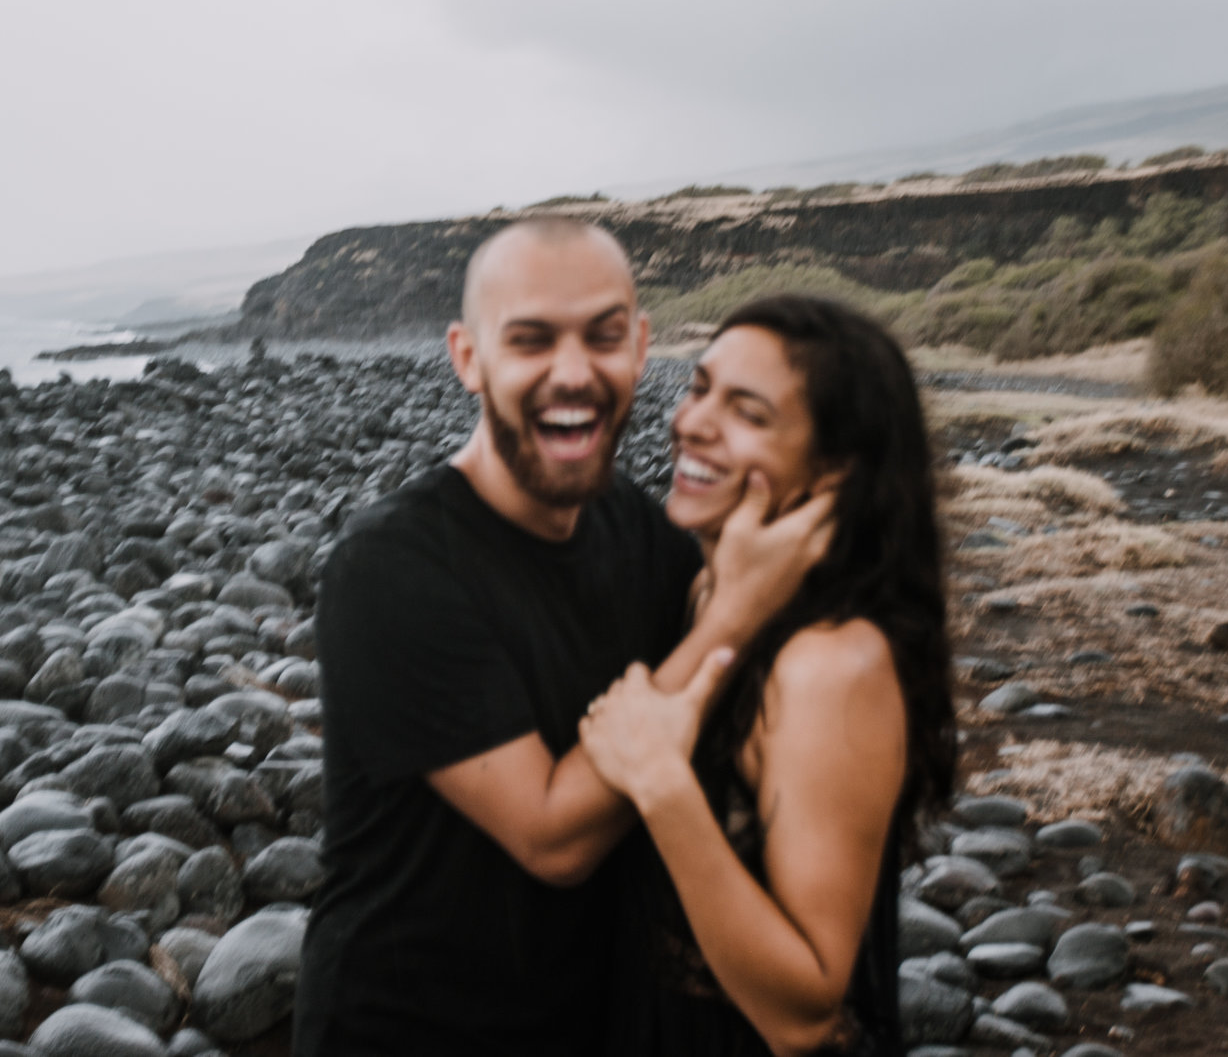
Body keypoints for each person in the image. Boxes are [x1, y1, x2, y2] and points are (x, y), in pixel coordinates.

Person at [296, 219, 835, 1056]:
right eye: (532, 340)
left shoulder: (639, 533)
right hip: (407, 1028)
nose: (575, 372)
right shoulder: (390, 569)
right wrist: (735, 612)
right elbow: (553, 836)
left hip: (588, 1018)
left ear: (641, 346)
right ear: (468, 357)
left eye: (604, 336)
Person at [580, 295, 956, 1057]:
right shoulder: (712, 593)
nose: (692, 422)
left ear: (833, 468)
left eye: (747, 411)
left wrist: (658, 782)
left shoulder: (828, 663)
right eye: (699, 386)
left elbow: (806, 1013)